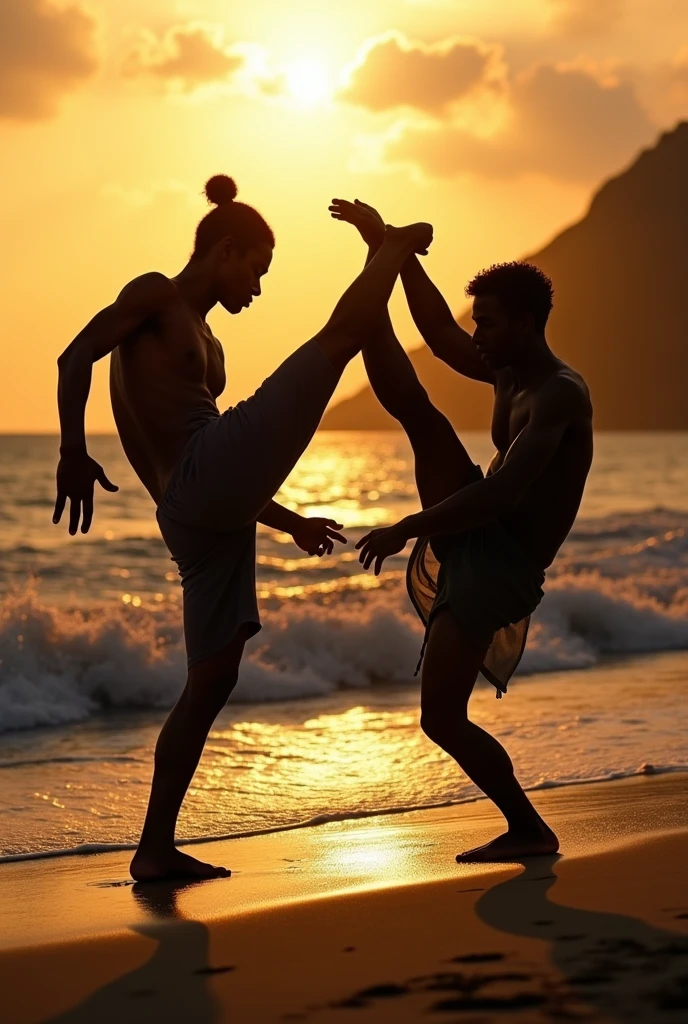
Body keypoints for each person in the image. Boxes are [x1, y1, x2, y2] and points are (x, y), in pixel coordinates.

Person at [54, 174, 433, 882]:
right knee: (340, 337)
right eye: (256, 269)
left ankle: (153, 848)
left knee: (212, 681)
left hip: (200, 512)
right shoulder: (156, 296)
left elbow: (231, 474)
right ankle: (391, 243)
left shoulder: (211, 346)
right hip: (197, 484)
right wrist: (73, 450)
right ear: (226, 250)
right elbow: (75, 357)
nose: (256, 289)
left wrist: (285, 520)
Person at [330, 198, 593, 862]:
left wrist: (409, 526)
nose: (477, 334)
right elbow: (442, 337)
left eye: (490, 323)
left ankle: (529, 830)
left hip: (503, 562)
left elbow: (507, 491)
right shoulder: (509, 371)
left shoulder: (560, 393)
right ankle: (375, 276)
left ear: (527, 325)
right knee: (421, 414)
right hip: (479, 529)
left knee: (440, 718)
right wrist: (399, 254)